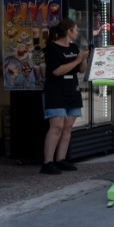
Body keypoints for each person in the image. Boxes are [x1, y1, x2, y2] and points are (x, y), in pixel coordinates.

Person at [41, 19, 88, 175]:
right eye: (75, 29)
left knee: (68, 126)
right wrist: (76, 61)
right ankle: (48, 162)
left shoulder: (74, 47)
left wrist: (83, 59)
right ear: (68, 30)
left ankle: (61, 159)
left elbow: (81, 70)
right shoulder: (52, 49)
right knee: (57, 126)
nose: (77, 32)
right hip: (56, 90)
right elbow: (57, 71)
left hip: (72, 89)